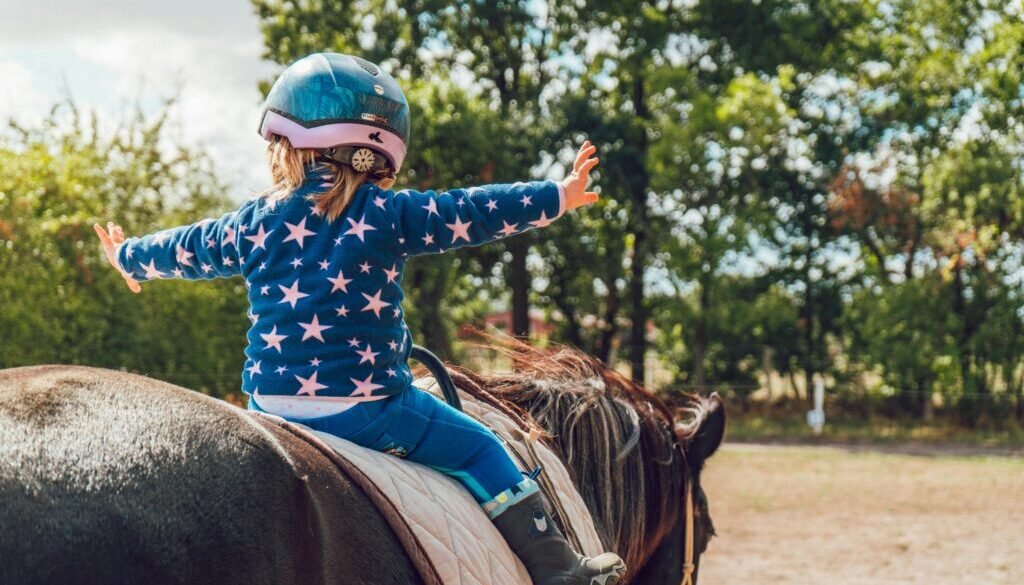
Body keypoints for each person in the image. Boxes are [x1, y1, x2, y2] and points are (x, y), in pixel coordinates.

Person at [94, 52, 624, 585]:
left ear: (285, 147)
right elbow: (472, 211)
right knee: (481, 448)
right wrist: (558, 195)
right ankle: (561, 572)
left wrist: (130, 257)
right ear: (380, 155)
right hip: (368, 411)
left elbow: (190, 245)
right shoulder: (390, 215)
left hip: (269, 408)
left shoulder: (250, 224)